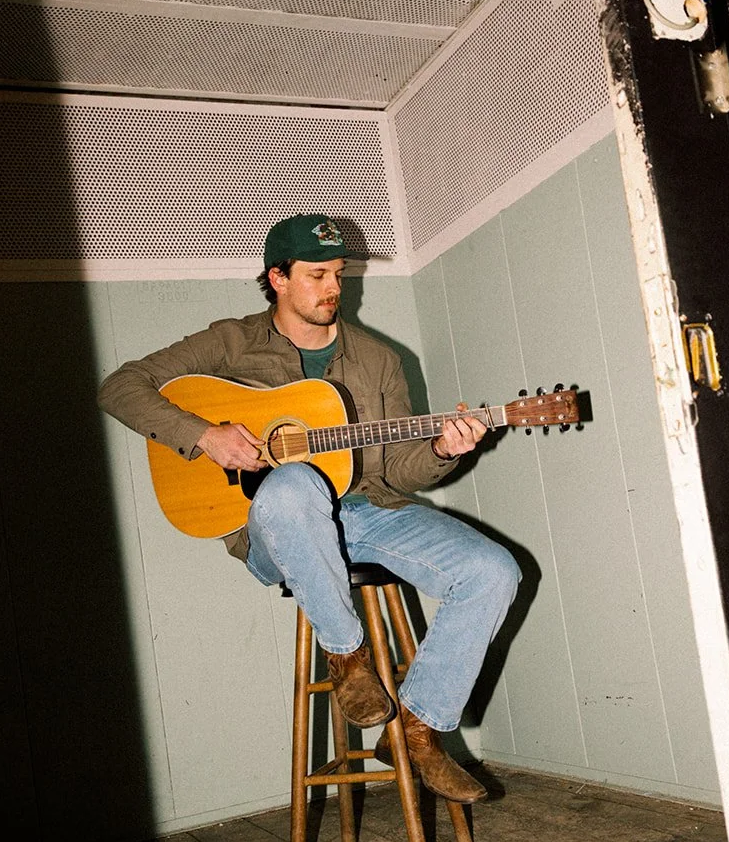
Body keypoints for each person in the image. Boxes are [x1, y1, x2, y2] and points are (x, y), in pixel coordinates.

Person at [98, 214, 520, 804]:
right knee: (294, 483)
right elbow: (120, 387)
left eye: (339, 275)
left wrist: (442, 450)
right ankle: (349, 658)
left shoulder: (378, 359)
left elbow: (399, 468)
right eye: (316, 274)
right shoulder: (232, 341)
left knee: (494, 570)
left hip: (368, 509)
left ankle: (419, 731)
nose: (332, 288)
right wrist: (203, 435)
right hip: (274, 526)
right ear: (277, 277)